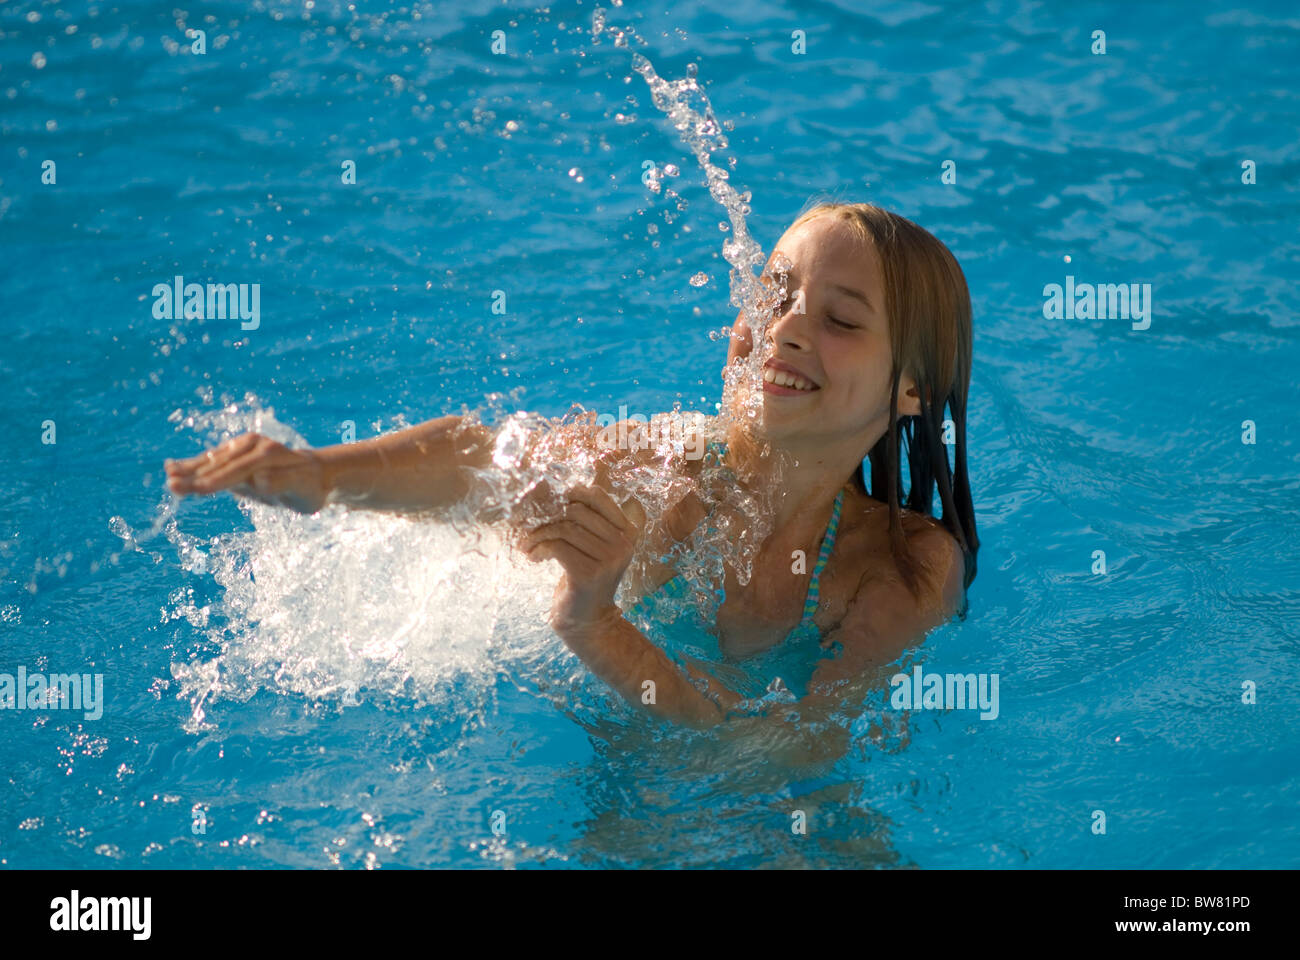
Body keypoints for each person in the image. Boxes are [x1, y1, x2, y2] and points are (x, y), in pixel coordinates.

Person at [164, 201, 980, 732]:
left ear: (911, 389)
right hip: (635, 799)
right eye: (773, 292)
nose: (788, 327)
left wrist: (597, 626)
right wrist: (322, 476)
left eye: (839, 318)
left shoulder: (902, 570)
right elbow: (479, 458)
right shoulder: (664, 465)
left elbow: (790, 757)